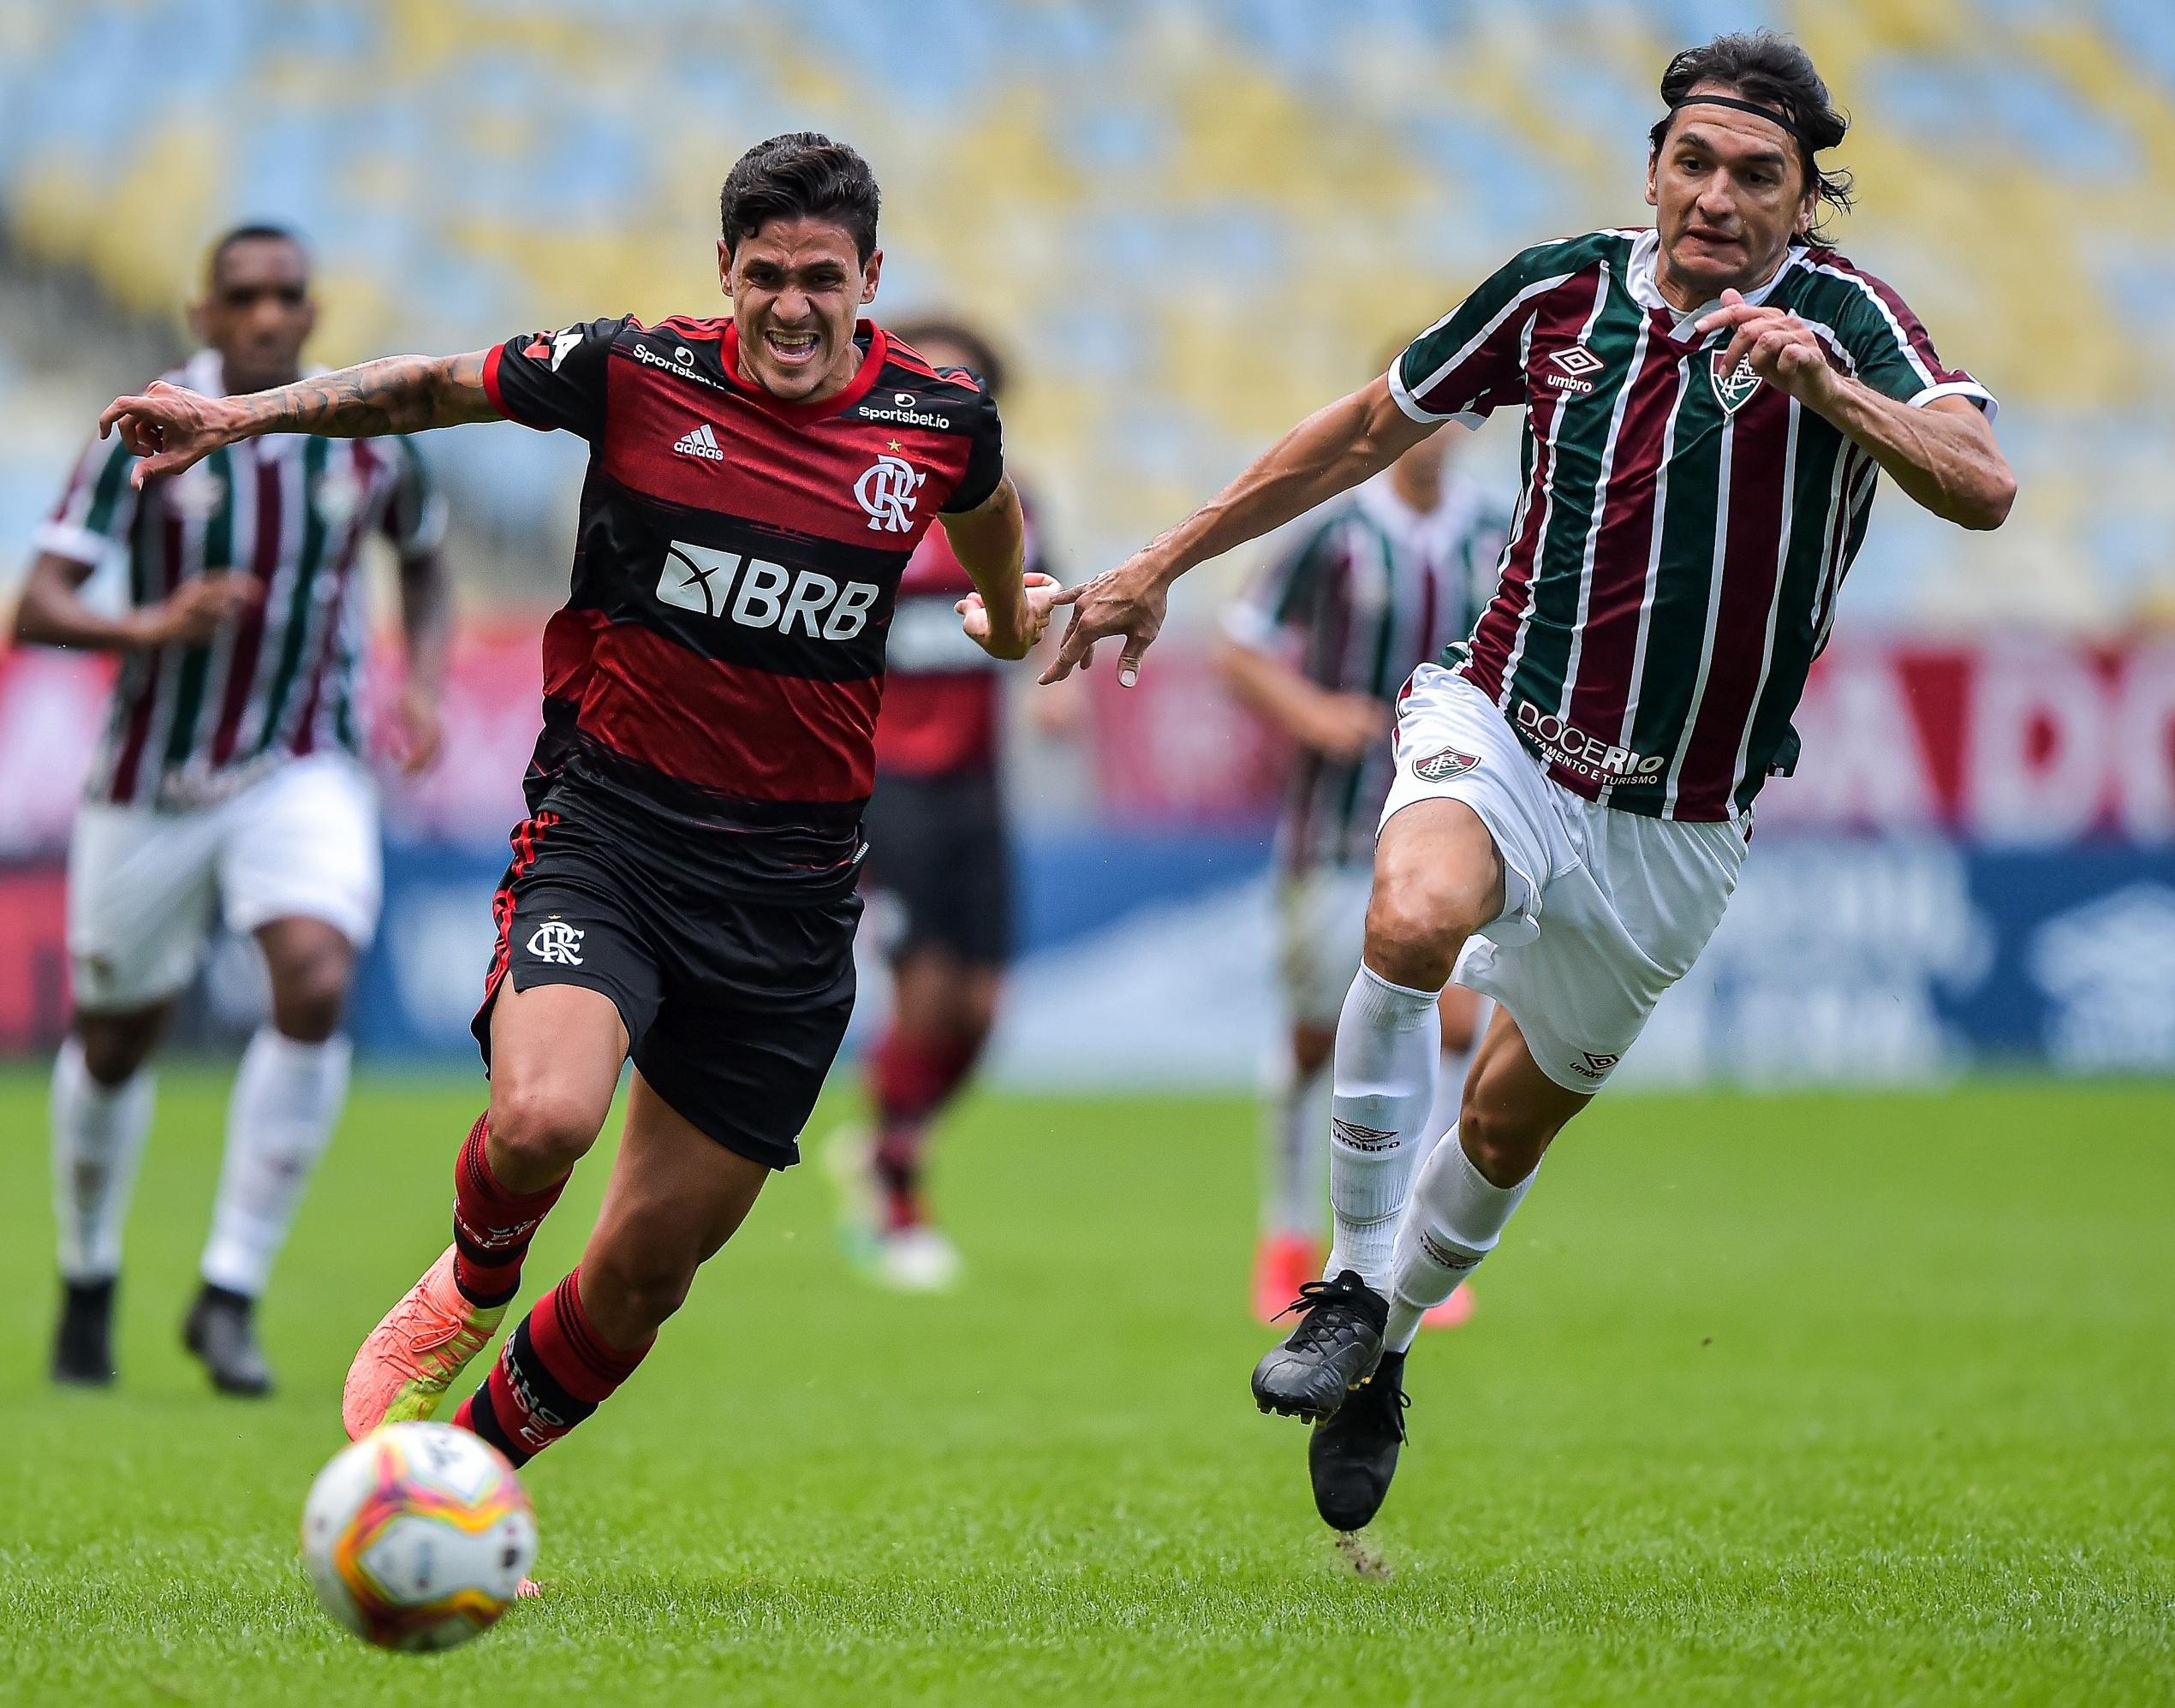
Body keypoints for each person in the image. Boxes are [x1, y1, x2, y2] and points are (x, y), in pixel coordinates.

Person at [1046, 33, 2013, 1532]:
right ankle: (1345, 1292)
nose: (1715, 196)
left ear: (1804, 201)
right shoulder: (1559, 290)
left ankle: (1386, 1347)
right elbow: (1373, 426)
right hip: (1508, 725)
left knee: (1502, 1130)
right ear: (1651, 169)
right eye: (1691, 162)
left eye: (1757, 175)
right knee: (1416, 919)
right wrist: (1157, 562)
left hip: (1680, 820)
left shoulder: (1850, 321)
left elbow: (1982, 485)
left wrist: (1832, 392)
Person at [99, 134, 1058, 1467]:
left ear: (870, 278)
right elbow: (433, 386)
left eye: (822, 279)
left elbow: (991, 500)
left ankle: (462, 1482)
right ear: (724, 268)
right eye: (765, 273)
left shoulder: (936, 418)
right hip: (612, 834)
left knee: (643, 1269)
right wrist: (246, 415)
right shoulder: (634, 372)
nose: (791, 304)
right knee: (544, 1115)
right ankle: (468, 1288)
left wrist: (1010, 615)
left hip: (790, 897)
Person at [18, 223, 452, 1396]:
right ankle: (89, 1273)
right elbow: (39, 604)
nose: (267, 316)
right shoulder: (141, 432)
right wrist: (149, 627)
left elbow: (424, 552)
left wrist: (418, 679)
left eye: (287, 297)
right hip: (154, 774)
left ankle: (230, 1288)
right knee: (115, 1036)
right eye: (244, 298)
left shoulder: (370, 438)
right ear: (203, 314)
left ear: (313, 316)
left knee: (314, 978)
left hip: (303, 759)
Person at [1216, 419, 1504, 1324]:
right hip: (1336, 830)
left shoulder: (1496, 535)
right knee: (1315, 1041)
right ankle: (1285, 1235)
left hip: (1457, 823)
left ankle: (1413, 1248)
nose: (1432, 436)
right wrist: (1307, 713)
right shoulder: (1337, 535)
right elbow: (1239, 643)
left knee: (1454, 1025)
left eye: (1450, 416)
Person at [830, 316, 1058, 1292]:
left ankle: (888, 1134)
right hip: (884, 782)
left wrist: (1066, 679)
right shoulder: (849, 497)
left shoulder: (1014, 506)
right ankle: (895, 1187)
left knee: (980, 1009)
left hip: (976, 783)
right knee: (922, 990)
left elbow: (1048, 606)